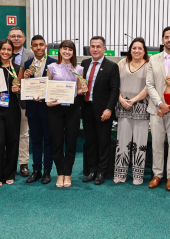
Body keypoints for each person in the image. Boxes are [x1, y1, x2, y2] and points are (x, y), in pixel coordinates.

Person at [146, 27, 170, 190]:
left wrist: (169, 105)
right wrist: (160, 104)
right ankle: (157, 174)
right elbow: (149, 84)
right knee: (157, 143)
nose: (169, 40)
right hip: (156, 109)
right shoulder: (153, 59)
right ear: (162, 40)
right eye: (167, 37)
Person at [80, 36, 120, 185]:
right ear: (89, 48)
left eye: (98, 46)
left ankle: (101, 172)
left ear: (104, 49)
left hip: (103, 111)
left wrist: (109, 109)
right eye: (92, 46)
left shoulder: (112, 66)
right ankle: (92, 170)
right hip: (87, 108)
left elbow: (114, 89)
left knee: (103, 142)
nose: (95, 49)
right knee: (90, 142)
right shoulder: (84, 64)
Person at [46, 40, 87, 187]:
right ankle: (60, 174)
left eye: (70, 49)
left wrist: (82, 90)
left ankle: (68, 174)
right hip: (55, 108)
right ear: (60, 51)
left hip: (72, 109)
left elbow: (79, 89)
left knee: (70, 143)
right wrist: (47, 102)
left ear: (73, 52)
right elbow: (47, 88)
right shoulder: (52, 67)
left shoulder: (79, 69)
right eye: (64, 49)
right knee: (57, 143)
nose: (67, 52)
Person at [19, 35, 56, 184]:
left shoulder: (54, 63)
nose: (38, 48)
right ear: (32, 48)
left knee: (48, 141)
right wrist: (25, 78)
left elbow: (56, 85)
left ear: (45, 46)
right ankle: (36, 170)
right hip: (33, 108)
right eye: (35, 45)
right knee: (35, 141)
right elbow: (22, 86)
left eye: (41, 45)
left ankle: (47, 171)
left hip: (48, 109)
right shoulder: (28, 64)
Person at [0, 39, 23, 186]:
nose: (6, 52)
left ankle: (10, 173)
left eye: (9, 49)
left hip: (12, 108)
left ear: (12, 51)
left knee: (12, 142)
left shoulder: (17, 68)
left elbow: (19, 89)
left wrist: (18, 89)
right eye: (3, 49)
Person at [114, 38, 151, 184]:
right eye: (134, 48)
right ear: (130, 50)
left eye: (140, 48)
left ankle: (137, 175)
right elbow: (114, 84)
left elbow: (149, 87)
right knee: (122, 142)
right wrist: (121, 99)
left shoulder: (149, 65)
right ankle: (120, 174)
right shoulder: (122, 63)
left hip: (141, 108)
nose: (136, 51)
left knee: (140, 143)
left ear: (144, 51)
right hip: (123, 106)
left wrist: (133, 100)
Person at [8, 27, 31, 177]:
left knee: (24, 133)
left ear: (24, 39)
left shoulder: (31, 55)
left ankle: (23, 163)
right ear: (8, 38)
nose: (16, 38)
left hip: (24, 100)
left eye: (19, 36)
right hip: (6, 101)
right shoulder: (3, 53)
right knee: (7, 133)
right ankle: (8, 162)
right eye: (13, 36)